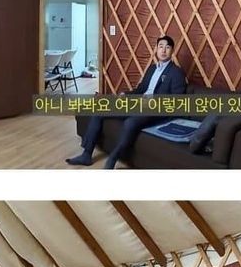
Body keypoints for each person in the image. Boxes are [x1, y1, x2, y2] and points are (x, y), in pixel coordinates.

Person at [65, 35, 187, 169]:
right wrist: (126, 94)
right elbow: (141, 89)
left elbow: (177, 100)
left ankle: (114, 157)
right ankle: (86, 154)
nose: (163, 50)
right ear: (156, 49)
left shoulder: (176, 72)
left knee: (131, 122)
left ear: (172, 51)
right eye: (161, 47)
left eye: (167, 47)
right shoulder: (152, 68)